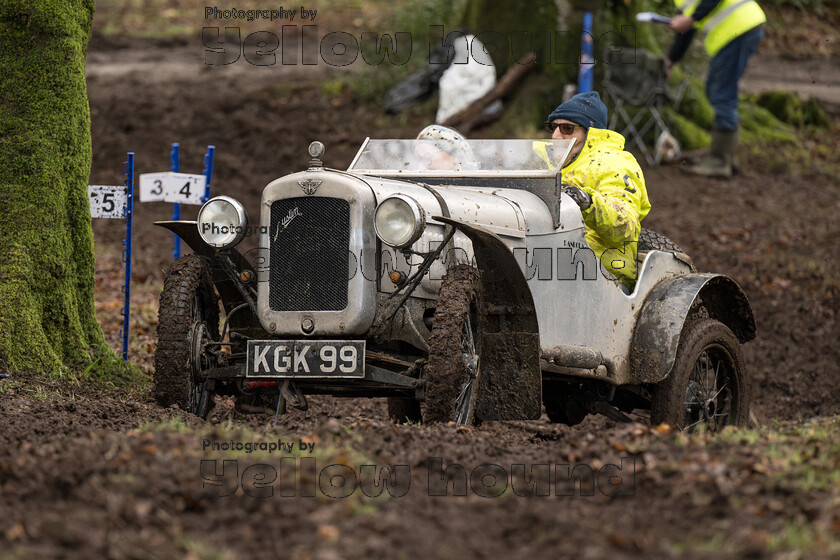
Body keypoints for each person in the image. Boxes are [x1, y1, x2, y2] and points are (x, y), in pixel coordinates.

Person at [544, 91, 651, 290]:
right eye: (552, 127)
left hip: (603, 274)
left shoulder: (614, 163)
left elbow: (625, 227)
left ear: (590, 132)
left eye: (567, 128)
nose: (556, 135)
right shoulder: (547, 160)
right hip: (546, 264)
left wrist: (586, 200)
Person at [667, 0, 766, 177]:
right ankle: (725, 156)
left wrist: (692, 18)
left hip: (738, 29)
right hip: (742, 28)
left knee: (721, 93)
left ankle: (719, 161)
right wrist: (672, 59)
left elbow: (691, 20)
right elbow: (686, 30)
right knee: (719, 90)